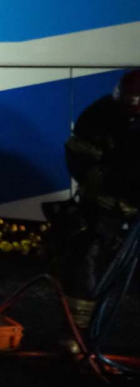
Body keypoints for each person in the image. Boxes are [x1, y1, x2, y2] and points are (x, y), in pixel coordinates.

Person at [54, 70, 140, 332]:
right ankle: (77, 337)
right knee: (85, 267)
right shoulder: (101, 114)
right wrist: (114, 184)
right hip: (102, 208)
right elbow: (80, 158)